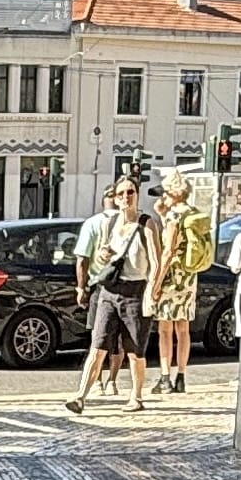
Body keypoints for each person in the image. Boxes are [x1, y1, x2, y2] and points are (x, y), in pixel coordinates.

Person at [66, 176, 155, 415]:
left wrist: (152, 294)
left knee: (135, 350)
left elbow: (155, 263)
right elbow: (101, 255)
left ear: (137, 195)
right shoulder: (109, 223)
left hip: (135, 292)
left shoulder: (147, 224)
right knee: (98, 345)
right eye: (121, 194)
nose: (125, 197)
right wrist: (104, 255)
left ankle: (136, 396)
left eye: (130, 192)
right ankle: (80, 396)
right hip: (109, 290)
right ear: (114, 198)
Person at [149, 171, 215, 394]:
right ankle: (181, 377)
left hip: (171, 277)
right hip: (189, 278)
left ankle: (165, 377)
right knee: (183, 329)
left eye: (165, 193)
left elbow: (167, 252)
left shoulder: (173, 218)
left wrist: (156, 284)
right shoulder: (192, 214)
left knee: (165, 330)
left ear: (172, 194)